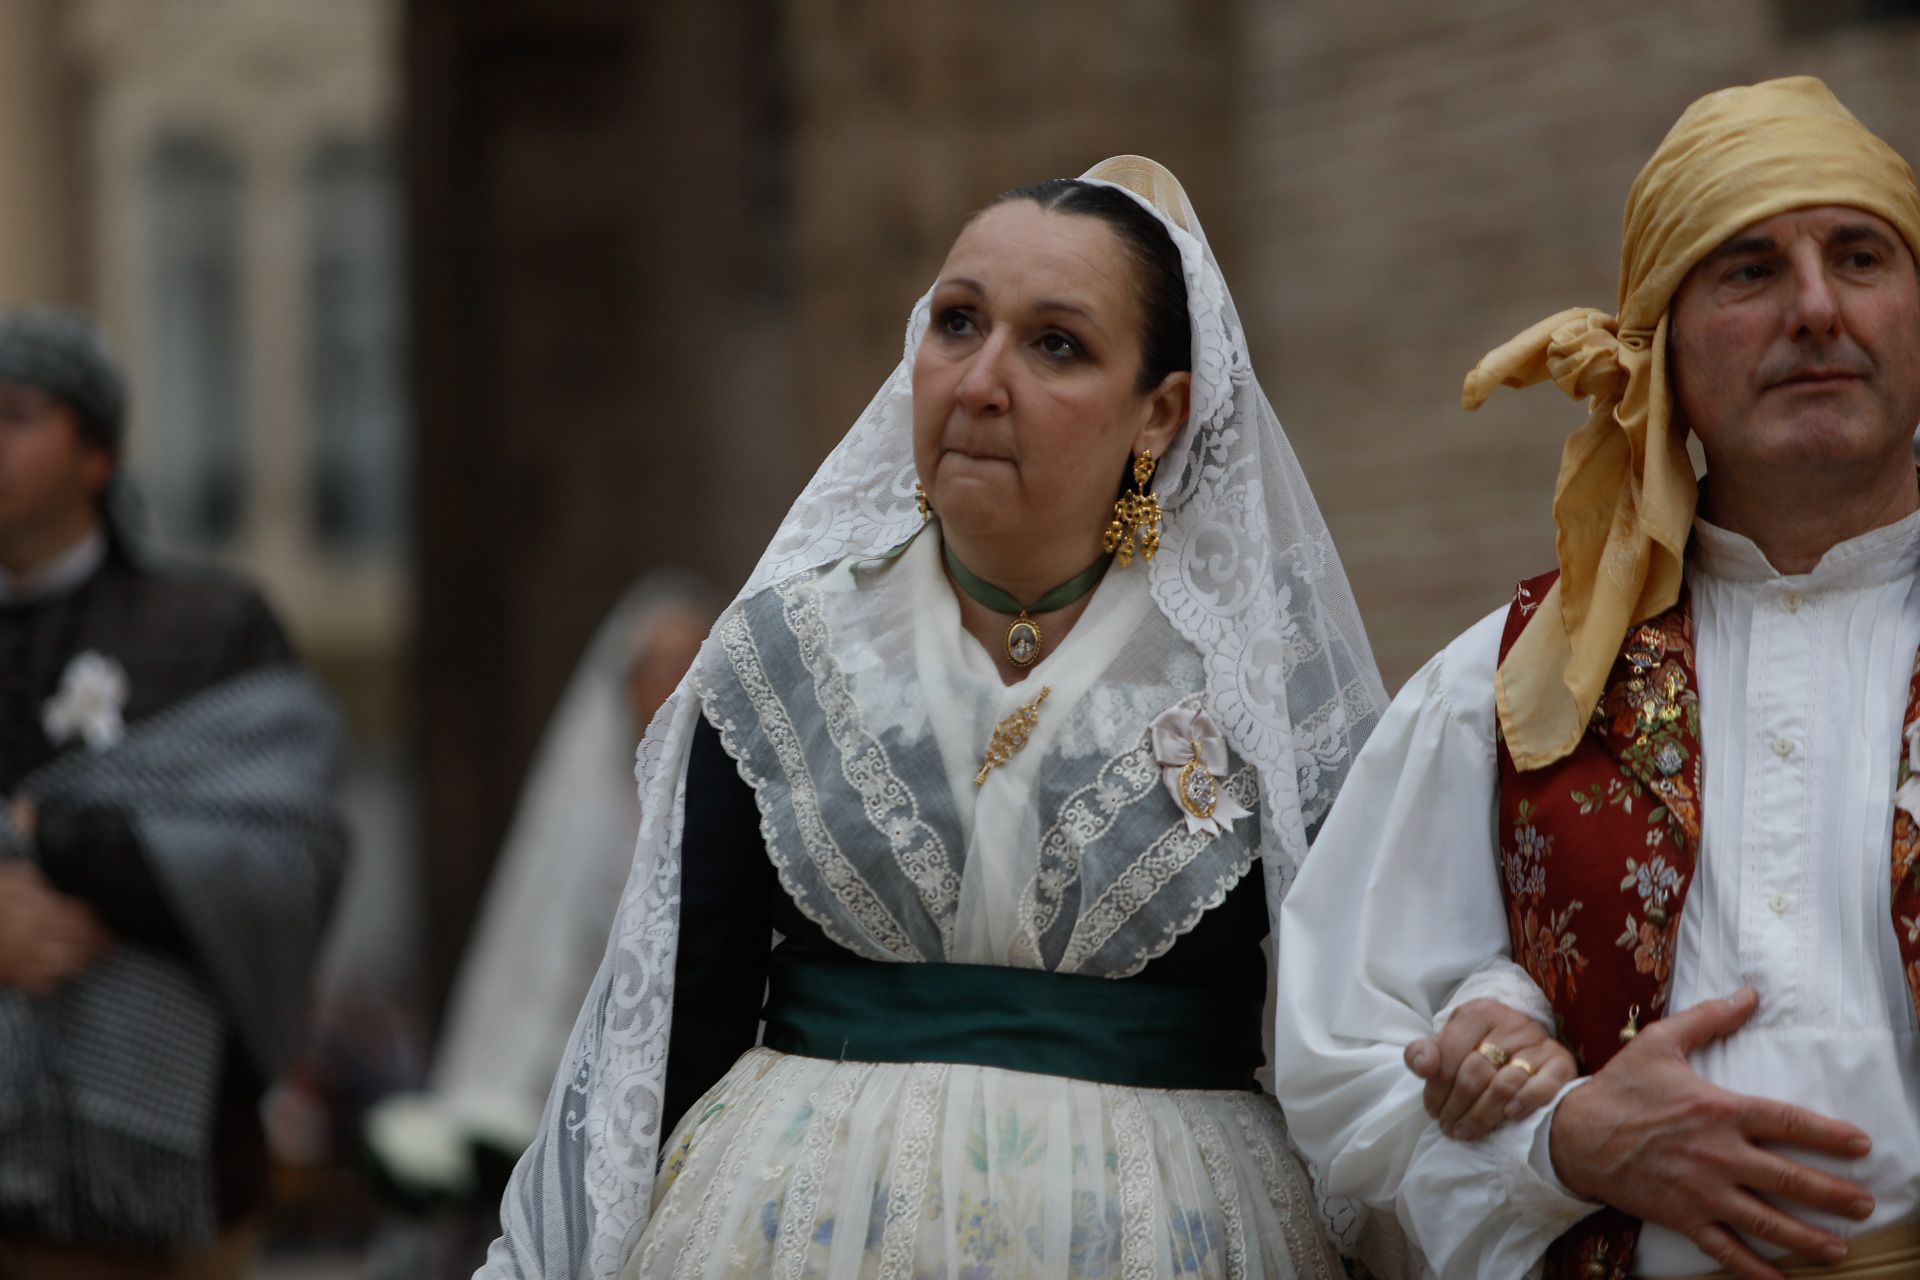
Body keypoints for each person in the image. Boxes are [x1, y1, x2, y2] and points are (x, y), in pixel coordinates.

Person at [474, 156, 1456, 1279]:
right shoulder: (785, 656)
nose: (983, 379)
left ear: (1161, 412)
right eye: (957, 323)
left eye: (1057, 345)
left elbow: (1371, 1025)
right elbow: (673, 1026)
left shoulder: (1257, 683)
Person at [1272, 77, 1920, 1280]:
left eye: (1860, 255)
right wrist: (1558, 1140)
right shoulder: (1519, 680)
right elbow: (1338, 1057)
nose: (1817, 307)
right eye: (1749, 270)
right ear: (1663, 349)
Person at [0, 309, 347, 1278]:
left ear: (95, 453)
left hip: (174, 1189)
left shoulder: (215, 629)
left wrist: (61, 844)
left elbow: (280, 865)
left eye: (16, 414)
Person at [366, 575, 715, 1207]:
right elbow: (546, 960)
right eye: (660, 663)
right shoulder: (585, 817)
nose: (673, 679)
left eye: (690, 659)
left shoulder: (726, 801)